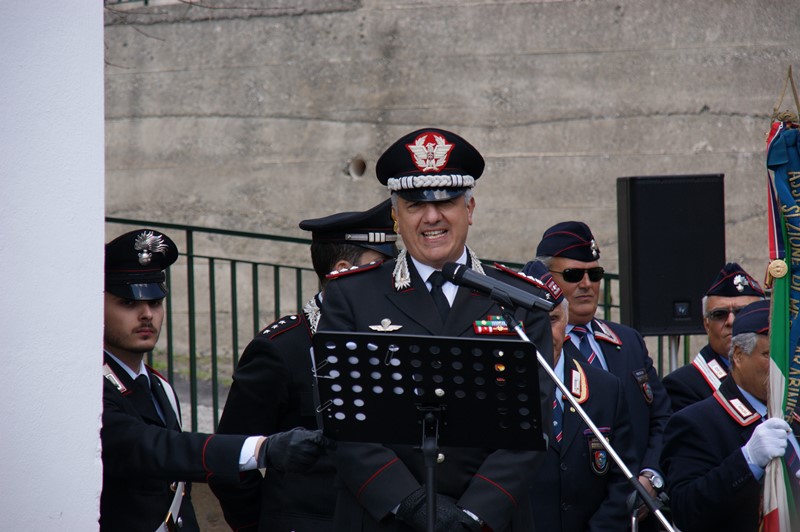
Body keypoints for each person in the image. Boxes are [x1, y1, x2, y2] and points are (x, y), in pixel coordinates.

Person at [317, 128, 554, 532]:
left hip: (488, 522)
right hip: (386, 518)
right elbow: (341, 423)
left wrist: (475, 514)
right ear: (396, 215)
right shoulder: (351, 297)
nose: (432, 217)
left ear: (470, 208)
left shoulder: (519, 301)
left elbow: (534, 426)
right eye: (414, 205)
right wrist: (410, 502)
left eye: (446, 202)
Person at [101, 229, 332, 532]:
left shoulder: (159, 387)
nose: (147, 314)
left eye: (155, 302)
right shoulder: (96, 391)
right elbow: (155, 448)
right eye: (128, 304)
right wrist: (262, 449)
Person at [210, 200, 399, 531]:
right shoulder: (281, 349)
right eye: (381, 266)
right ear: (343, 271)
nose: (393, 277)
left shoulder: (393, 337)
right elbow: (230, 458)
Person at [533, 221, 672, 507]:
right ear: (547, 279)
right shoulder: (541, 349)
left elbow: (662, 419)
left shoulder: (628, 340)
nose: (586, 284)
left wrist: (651, 477)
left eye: (594, 274)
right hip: (576, 510)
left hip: (639, 504)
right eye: (573, 275)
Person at [660, 300, 800, 531]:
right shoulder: (697, 422)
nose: (782, 367)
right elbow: (686, 511)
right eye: (770, 355)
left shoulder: (794, 415)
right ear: (737, 355)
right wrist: (747, 461)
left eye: (790, 356)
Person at [522, 260, 638, 532]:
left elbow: (623, 481)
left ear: (565, 321)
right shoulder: (499, 389)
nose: (543, 334)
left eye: (551, 320)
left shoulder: (605, 388)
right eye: (531, 322)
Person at [662, 262, 765, 412]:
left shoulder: (785, 375)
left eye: (742, 312)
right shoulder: (683, 385)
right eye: (719, 314)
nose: (731, 321)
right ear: (706, 324)